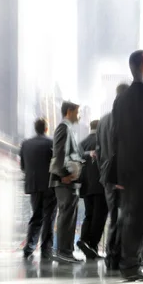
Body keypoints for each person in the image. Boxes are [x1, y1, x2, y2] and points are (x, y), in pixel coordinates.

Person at [112, 50, 143, 282]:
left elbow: (115, 136)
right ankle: (132, 265)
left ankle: (128, 263)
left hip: (125, 168)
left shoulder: (120, 100)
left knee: (129, 215)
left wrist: (116, 170)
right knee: (141, 217)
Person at [96, 83, 128, 271]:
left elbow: (99, 151)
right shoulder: (125, 119)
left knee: (114, 217)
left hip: (108, 176)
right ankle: (117, 256)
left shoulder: (103, 120)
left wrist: (105, 174)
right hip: (121, 177)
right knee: (124, 217)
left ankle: (111, 256)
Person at [50, 101, 85, 264]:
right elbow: (59, 152)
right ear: (69, 111)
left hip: (69, 182)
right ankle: (63, 252)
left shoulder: (69, 129)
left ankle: (66, 251)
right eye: (77, 112)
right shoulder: (63, 128)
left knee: (69, 216)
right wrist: (63, 174)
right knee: (66, 216)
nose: (79, 115)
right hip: (64, 182)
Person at [20, 118, 57, 260]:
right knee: (49, 217)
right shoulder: (51, 143)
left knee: (36, 215)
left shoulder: (26, 144)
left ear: (35, 128)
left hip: (33, 185)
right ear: (46, 129)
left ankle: (29, 247)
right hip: (49, 185)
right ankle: (46, 250)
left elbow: (23, 166)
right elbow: (56, 164)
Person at [78, 119, 108, 260]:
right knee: (100, 216)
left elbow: (75, 157)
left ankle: (84, 240)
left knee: (89, 215)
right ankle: (92, 245)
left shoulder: (82, 143)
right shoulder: (103, 140)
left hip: (85, 186)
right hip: (101, 185)